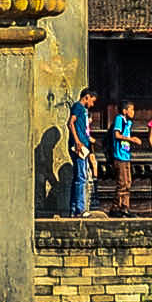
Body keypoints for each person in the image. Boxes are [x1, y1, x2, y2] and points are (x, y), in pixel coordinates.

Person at [64, 87, 97, 219]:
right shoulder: (78, 107)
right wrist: (77, 141)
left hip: (83, 144)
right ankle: (80, 208)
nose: (92, 104)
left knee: (78, 177)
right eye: (92, 101)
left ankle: (74, 208)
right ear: (87, 97)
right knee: (81, 177)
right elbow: (70, 123)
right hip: (79, 146)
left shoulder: (84, 111)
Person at [110, 101, 138, 216]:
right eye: (131, 109)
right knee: (122, 183)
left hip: (126, 155)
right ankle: (116, 207)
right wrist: (132, 140)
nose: (133, 112)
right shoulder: (119, 119)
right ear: (125, 110)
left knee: (128, 183)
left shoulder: (128, 123)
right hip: (119, 156)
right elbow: (117, 135)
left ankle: (125, 207)